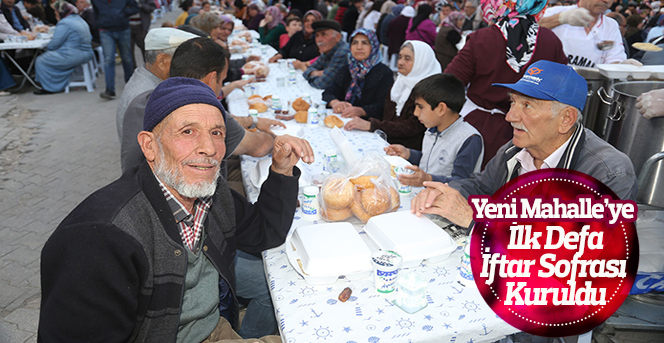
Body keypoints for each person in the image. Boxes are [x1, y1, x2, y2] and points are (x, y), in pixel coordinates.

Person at [39, 76, 315, 342]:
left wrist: (281, 169)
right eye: (188, 132)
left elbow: (264, 233)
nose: (209, 148)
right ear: (150, 145)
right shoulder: (97, 240)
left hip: (215, 329)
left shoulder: (211, 193)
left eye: (216, 133)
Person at [411, 60, 638, 231]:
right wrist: (443, 193)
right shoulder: (514, 150)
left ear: (566, 119)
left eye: (527, 105)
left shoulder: (609, 172)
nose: (510, 116)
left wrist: (476, 221)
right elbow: (480, 187)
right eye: (513, 102)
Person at [120, 38, 277, 174]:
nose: (219, 87)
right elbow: (259, 147)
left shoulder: (141, 100)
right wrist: (278, 139)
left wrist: (253, 121)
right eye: (221, 80)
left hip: (137, 192)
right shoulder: (204, 112)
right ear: (211, 79)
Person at [445, 0, 567, 168]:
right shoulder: (550, 41)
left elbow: (449, 83)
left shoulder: (481, 39)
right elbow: (562, 88)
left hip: (481, 129)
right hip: (533, 132)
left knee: (478, 185)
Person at [385, 73, 483, 187]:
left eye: (420, 107)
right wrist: (408, 154)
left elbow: (461, 182)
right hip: (424, 192)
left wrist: (428, 179)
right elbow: (430, 160)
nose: (415, 113)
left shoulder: (469, 139)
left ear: (441, 109)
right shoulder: (432, 129)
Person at [344, 40, 439, 150]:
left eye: (407, 58)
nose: (400, 62)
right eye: (400, 57)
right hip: (386, 140)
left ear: (422, 62)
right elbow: (388, 115)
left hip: (408, 150)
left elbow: (411, 127)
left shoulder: (428, 90)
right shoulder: (400, 82)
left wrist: (372, 125)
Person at [116, 28, 198, 140]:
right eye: (185, 60)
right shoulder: (149, 94)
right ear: (162, 61)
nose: (190, 65)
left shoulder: (145, 75)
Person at [323, 28, 393, 120]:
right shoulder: (347, 68)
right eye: (355, 43)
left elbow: (384, 106)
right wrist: (335, 102)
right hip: (344, 120)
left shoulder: (384, 73)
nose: (359, 47)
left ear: (373, 46)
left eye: (365, 43)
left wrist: (362, 111)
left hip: (367, 125)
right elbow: (329, 92)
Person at [540, 0, 628, 67]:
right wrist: (560, 18)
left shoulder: (610, 25)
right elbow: (531, 29)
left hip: (589, 84)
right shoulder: (554, 12)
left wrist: (622, 66)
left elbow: (614, 57)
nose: (606, 1)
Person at [33, 1, 93, 95]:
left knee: (41, 60)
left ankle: (50, 87)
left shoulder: (65, 23)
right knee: (49, 57)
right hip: (87, 52)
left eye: (56, 12)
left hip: (75, 55)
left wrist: (48, 48)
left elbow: (54, 44)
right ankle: (54, 83)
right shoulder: (78, 19)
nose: (54, 14)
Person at [92, 0, 139, 100]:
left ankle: (130, 84)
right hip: (105, 30)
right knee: (109, 59)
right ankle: (110, 90)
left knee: (127, 58)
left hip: (123, 28)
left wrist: (124, 13)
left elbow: (135, 7)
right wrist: (100, 23)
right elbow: (95, 13)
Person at [302, 20, 349, 89]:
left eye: (324, 34)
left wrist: (312, 75)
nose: (319, 40)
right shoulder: (328, 49)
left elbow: (322, 83)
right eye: (317, 36)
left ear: (338, 37)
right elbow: (307, 70)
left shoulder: (343, 52)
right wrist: (315, 73)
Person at [128, 0, 156, 69]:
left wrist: (141, 6)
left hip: (141, 27)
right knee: (129, 51)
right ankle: (132, 70)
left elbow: (151, 7)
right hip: (126, 27)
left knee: (145, 48)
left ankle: (148, 69)